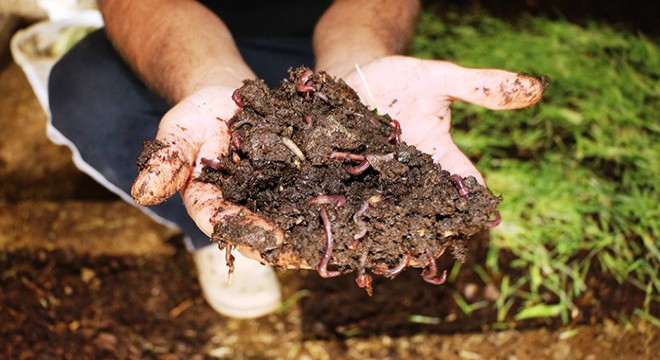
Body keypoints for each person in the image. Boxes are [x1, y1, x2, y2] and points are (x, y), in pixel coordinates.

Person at [48, 0, 544, 318]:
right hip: (186, 41)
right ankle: (209, 232)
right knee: (84, 92)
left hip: (329, 46)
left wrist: (360, 68)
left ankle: (231, 230)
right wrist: (207, 76)